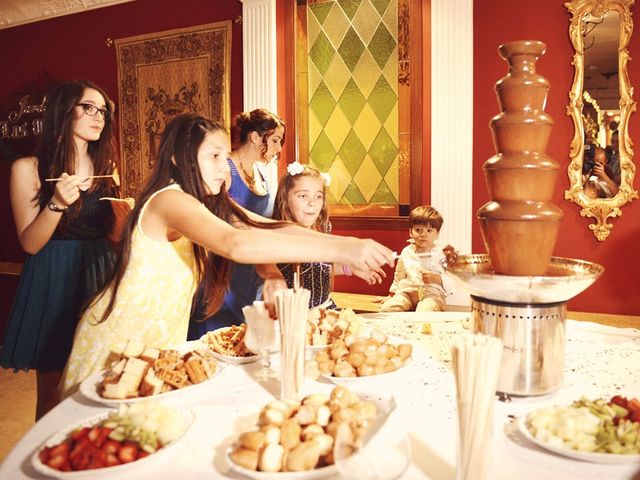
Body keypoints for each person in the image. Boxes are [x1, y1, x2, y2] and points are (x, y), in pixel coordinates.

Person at [61, 113, 393, 397]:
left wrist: (344, 249)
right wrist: (345, 248)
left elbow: (268, 227)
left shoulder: (207, 201)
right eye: (215, 156)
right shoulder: (169, 200)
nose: (225, 168)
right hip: (119, 336)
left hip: (159, 337)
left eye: (225, 157)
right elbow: (236, 243)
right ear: (179, 158)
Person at [1, 80, 123, 419]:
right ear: (65, 111)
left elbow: (111, 236)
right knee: (53, 395)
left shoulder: (106, 169)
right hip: (53, 278)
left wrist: (123, 223)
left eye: (103, 111)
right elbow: (30, 242)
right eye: (89, 108)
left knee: (99, 384)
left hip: (99, 274)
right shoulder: (27, 168)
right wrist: (55, 204)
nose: (99, 117)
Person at [188, 109, 286, 339]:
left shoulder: (260, 175)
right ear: (254, 137)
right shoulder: (224, 173)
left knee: (246, 344)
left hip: (254, 275)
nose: (279, 148)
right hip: (225, 276)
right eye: (275, 140)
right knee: (220, 342)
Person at [272, 162, 383, 309]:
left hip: (325, 309)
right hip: (293, 316)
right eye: (303, 195)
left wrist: (349, 268)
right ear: (285, 198)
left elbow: (318, 269)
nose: (312, 203)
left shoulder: (323, 227)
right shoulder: (279, 232)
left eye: (318, 196)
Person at [379, 206, 452, 313]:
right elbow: (399, 275)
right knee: (386, 309)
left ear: (437, 234)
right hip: (407, 292)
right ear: (410, 232)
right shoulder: (407, 252)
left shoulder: (441, 254)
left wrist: (437, 278)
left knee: (424, 312)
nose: (423, 234)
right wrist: (392, 295)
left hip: (431, 293)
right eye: (418, 230)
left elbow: (452, 278)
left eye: (429, 230)